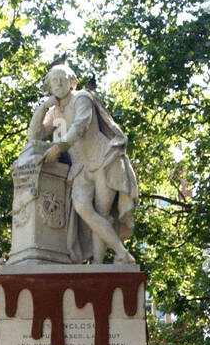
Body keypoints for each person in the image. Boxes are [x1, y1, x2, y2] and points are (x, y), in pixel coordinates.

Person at [34, 63, 139, 265]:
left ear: (71, 82)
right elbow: (36, 135)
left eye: (62, 79)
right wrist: (43, 107)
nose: (58, 83)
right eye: (53, 81)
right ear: (49, 86)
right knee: (83, 207)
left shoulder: (82, 98)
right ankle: (121, 252)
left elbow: (80, 125)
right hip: (80, 167)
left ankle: (98, 265)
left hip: (102, 160)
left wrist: (60, 146)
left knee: (101, 213)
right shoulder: (54, 111)